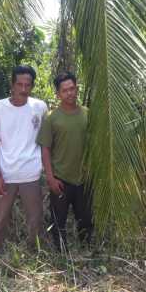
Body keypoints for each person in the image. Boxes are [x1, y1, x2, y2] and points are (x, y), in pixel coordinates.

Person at [0, 65, 48, 254]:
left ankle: (34, 253)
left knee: (35, 220)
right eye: (19, 84)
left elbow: (46, 140)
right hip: (6, 173)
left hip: (31, 173)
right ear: (12, 85)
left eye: (27, 85)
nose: (23, 89)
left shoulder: (40, 107)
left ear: (32, 86)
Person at [37, 72, 93, 251]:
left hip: (84, 179)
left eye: (72, 89)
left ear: (77, 89)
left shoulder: (87, 114)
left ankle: (86, 251)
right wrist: (51, 179)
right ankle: (61, 256)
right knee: (58, 221)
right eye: (64, 90)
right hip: (61, 180)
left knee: (85, 220)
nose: (69, 93)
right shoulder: (51, 118)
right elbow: (45, 149)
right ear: (58, 94)